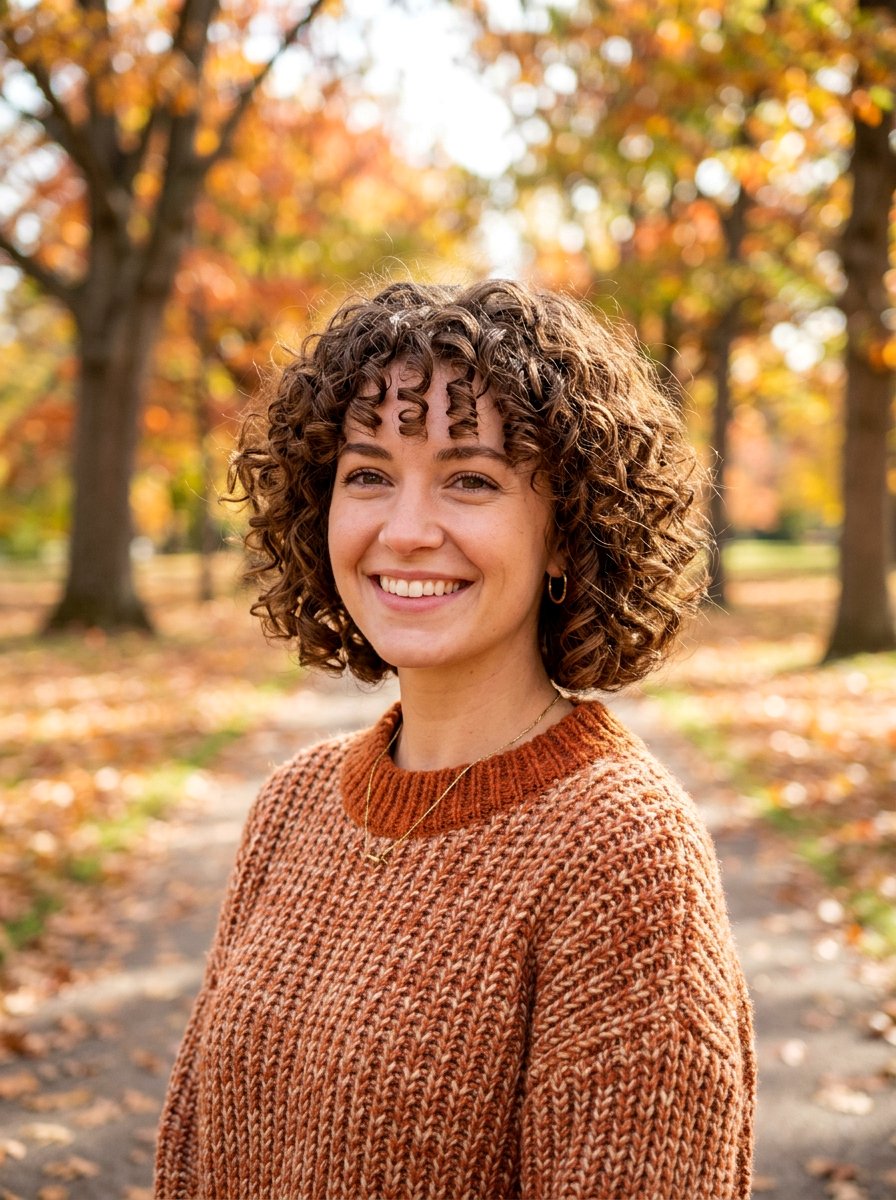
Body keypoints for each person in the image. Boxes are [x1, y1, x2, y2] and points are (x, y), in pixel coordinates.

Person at [154, 279, 755, 1199]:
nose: (406, 530)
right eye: (368, 475)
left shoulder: (626, 858)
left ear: (566, 532)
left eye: (470, 478)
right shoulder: (292, 805)